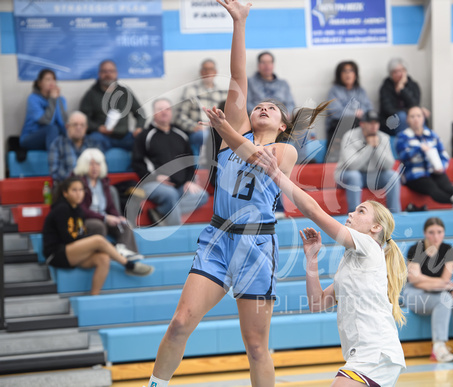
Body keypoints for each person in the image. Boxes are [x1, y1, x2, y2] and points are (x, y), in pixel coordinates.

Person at [146, 2, 328, 386]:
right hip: (217, 236)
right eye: (258, 105)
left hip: (257, 245)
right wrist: (239, 22)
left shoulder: (283, 151)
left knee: (256, 346)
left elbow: (255, 157)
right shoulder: (236, 132)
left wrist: (224, 130)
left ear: (282, 125)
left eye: (272, 108)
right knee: (180, 323)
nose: (262, 106)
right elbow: (238, 75)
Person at [248, 142, 407, 385]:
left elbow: (313, 211)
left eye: (361, 211)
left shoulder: (369, 247)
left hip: (375, 354)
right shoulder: (353, 261)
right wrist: (311, 260)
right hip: (369, 355)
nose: (351, 214)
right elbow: (316, 303)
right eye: (354, 210)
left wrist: (276, 174)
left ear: (376, 228)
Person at [42, 176, 154, 295]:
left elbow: (80, 233)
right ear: (65, 193)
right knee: (98, 240)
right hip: (56, 254)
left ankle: (94, 297)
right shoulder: (62, 209)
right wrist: (95, 245)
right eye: (74, 190)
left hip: (72, 252)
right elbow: (68, 238)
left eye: (81, 190)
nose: (78, 194)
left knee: (103, 259)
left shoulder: (78, 210)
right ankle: (129, 265)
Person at [404, 217, 453, 361]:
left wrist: (432, 283)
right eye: (431, 232)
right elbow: (414, 280)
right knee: (444, 299)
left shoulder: (447, 249)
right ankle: (438, 347)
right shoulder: (415, 249)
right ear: (425, 233)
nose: (435, 236)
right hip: (414, 293)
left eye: (439, 232)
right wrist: (438, 284)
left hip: (438, 290)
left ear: (444, 233)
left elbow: (445, 279)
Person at [132, 98, 209, 227]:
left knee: (203, 195)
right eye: (160, 109)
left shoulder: (181, 135)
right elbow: (137, 163)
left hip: (180, 186)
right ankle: (176, 237)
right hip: (152, 184)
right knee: (171, 195)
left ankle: (160, 212)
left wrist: (189, 181)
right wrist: (155, 177)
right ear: (153, 113)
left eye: (167, 109)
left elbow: (189, 162)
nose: (164, 112)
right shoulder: (144, 136)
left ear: (171, 112)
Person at [396, 106, 453, 210]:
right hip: (414, 175)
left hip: (433, 171)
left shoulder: (432, 135)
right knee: (433, 188)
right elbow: (403, 156)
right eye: (412, 116)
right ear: (407, 119)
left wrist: (441, 167)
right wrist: (419, 148)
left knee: (446, 184)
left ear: (423, 118)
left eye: (418, 116)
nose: (416, 119)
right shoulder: (402, 137)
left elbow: (443, 155)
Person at [73, 148, 143, 261]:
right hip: (85, 219)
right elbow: (82, 209)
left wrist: (117, 217)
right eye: (91, 164)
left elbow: (110, 206)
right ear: (84, 165)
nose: (95, 167)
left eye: (98, 164)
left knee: (125, 224)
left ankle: (125, 251)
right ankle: (100, 256)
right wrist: (105, 218)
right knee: (98, 225)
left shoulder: (103, 182)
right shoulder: (78, 183)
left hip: (102, 217)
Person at [334, 110, 401, 214]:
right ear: (362, 124)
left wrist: (377, 147)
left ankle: (395, 214)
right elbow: (352, 166)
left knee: (393, 176)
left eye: (376, 123)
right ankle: (354, 215)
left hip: (371, 175)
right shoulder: (350, 136)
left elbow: (389, 165)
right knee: (354, 176)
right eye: (370, 123)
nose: (374, 126)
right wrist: (369, 147)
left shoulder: (383, 137)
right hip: (347, 174)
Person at [80, 60, 145, 151]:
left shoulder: (125, 92)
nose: (108, 74)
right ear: (99, 73)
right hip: (102, 136)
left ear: (116, 73)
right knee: (93, 139)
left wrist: (139, 128)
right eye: (104, 71)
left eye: (111, 71)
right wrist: (98, 128)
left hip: (124, 137)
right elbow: (83, 118)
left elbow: (140, 113)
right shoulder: (91, 94)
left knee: (143, 140)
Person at [175, 59, 228, 154]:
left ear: (215, 72)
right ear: (201, 72)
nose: (208, 72)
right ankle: (201, 168)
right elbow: (180, 116)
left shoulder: (223, 93)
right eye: (205, 69)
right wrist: (194, 126)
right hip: (198, 130)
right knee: (206, 136)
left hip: (217, 130)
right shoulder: (190, 91)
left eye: (211, 69)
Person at [325, 61, 374, 162]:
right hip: (338, 125)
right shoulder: (334, 90)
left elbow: (369, 109)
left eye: (351, 71)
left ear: (355, 74)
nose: (348, 74)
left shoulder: (360, 91)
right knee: (352, 120)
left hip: (358, 124)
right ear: (339, 75)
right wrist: (355, 113)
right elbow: (336, 112)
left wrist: (359, 113)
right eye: (344, 71)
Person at [379, 58, 429, 137]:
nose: (399, 74)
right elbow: (388, 109)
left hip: (410, 117)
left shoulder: (413, 85)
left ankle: (425, 142)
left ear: (406, 71)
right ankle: (405, 142)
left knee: (420, 115)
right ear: (391, 74)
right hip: (390, 121)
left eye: (401, 70)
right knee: (402, 116)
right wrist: (408, 113)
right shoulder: (385, 87)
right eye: (395, 72)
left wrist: (402, 90)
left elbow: (415, 105)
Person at [20, 69, 67, 150]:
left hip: (51, 136)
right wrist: (52, 100)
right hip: (31, 137)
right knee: (53, 128)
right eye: (48, 79)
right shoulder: (33, 99)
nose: (52, 82)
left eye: (53, 79)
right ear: (40, 83)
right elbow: (47, 121)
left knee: (70, 131)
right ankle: (54, 161)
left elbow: (63, 122)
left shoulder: (60, 99)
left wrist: (57, 100)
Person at [48, 111, 101, 184]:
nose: (78, 128)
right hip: (66, 188)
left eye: (82, 125)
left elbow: (100, 168)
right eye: (75, 125)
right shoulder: (57, 144)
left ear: (86, 128)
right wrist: (76, 182)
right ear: (67, 126)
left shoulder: (93, 144)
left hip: (89, 187)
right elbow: (55, 172)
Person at [246, 51, 295, 115]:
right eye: (263, 62)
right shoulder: (250, 82)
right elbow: (246, 105)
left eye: (269, 62)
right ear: (258, 65)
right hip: (258, 119)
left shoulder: (283, 84)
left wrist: (283, 116)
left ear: (273, 64)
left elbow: (291, 105)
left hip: (280, 119)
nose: (267, 66)